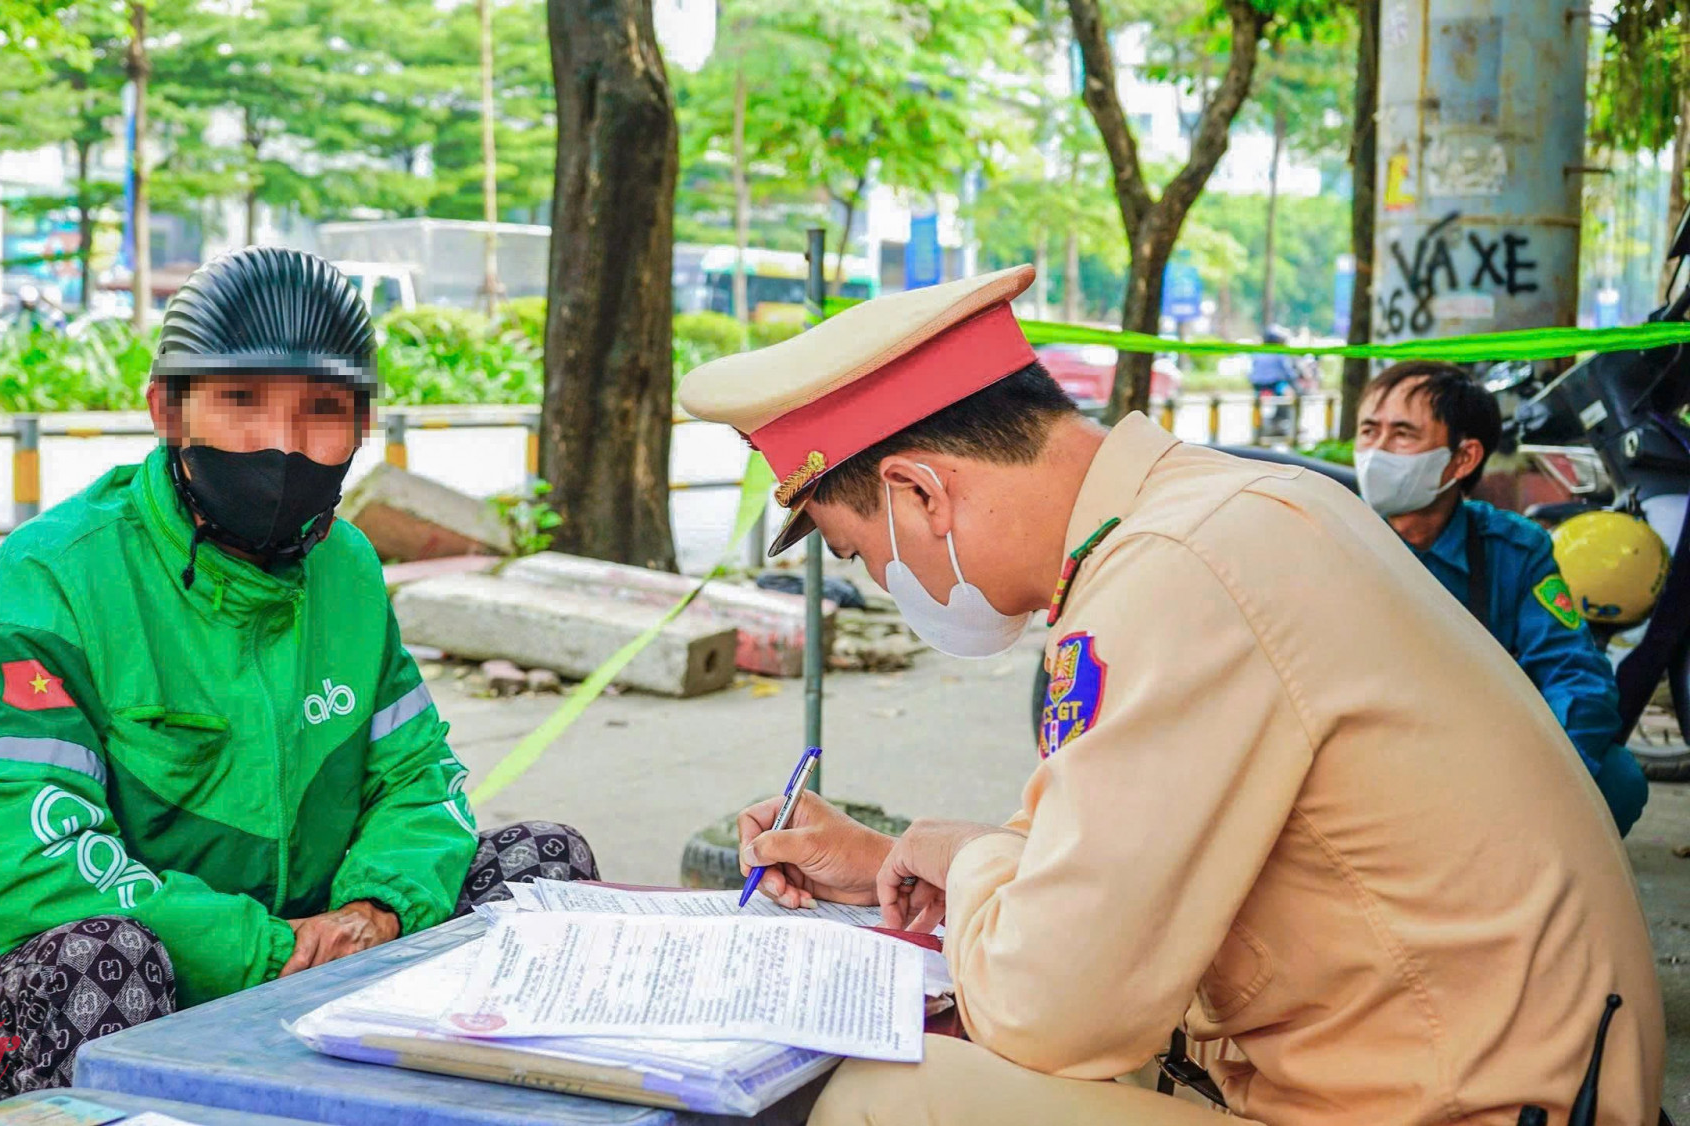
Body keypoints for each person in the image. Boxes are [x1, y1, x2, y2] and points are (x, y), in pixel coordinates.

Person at [678, 265, 1661, 1126]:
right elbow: (1111, 851)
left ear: (921, 494)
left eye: (860, 551)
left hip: (1454, 1106)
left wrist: (972, 866)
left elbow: (1048, 1005)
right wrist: (895, 857)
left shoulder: (1173, 571)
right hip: (1495, 1083)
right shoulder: (1214, 515)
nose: (884, 583)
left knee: (884, 1098)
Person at [0, 247, 596, 1121]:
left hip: (307, 955)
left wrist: (375, 911)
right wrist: (268, 950)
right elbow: (25, 865)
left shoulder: (348, 569)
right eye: (242, 402)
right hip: (30, 986)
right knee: (105, 961)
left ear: (363, 427)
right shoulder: (54, 577)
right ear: (167, 411)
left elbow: (418, 780)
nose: (283, 446)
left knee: (539, 868)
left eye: (322, 411)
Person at [1353, 360, 1648, 836]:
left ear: (1463, 458)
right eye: (1369, 431)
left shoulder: (1514, 551)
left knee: (1617, 780)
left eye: (1402, 434)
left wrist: (1541, 781)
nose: (1376, 453)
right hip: (1360, 755)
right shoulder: (1328, 535)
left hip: (1477, 752)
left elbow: (1573, 672)